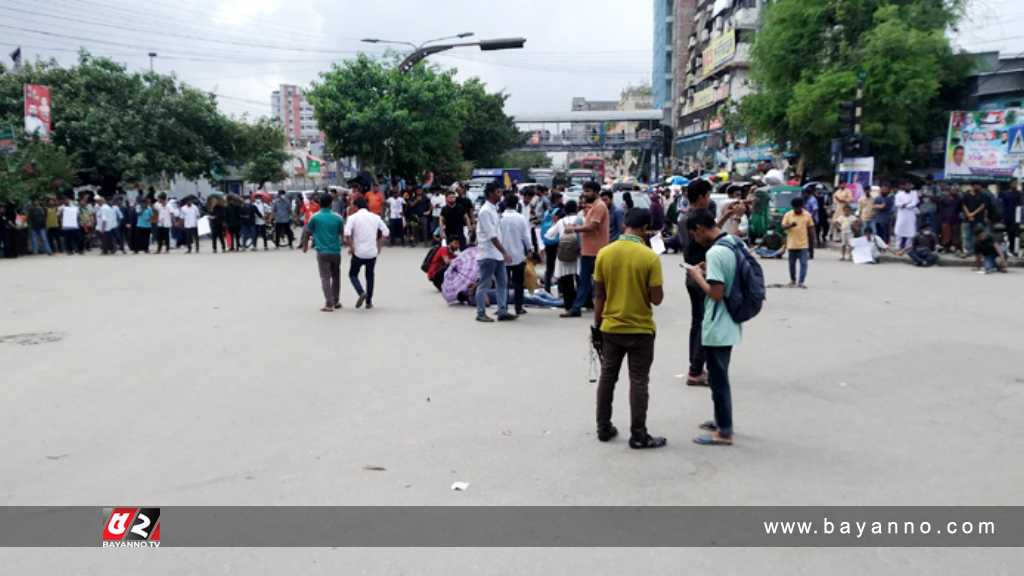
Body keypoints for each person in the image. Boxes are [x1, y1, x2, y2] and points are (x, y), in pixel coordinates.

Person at [593, 208, 666, 449]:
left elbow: (599, 295)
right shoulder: (649, 257)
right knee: (639, 381)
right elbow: (656, 299)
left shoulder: (604, 253)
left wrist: (597, 326)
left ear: (625, 224)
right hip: (640, 329)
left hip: (611, 327)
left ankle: (603, 427)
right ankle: (638, 434)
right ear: (646, 228)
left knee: (607, 377)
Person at [685, 209, 742, 447]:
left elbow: (716, 293)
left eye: (693, 235)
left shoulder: (716, 252)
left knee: (718, 380)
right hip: (730, 320)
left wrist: (697, 275)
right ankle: (722, 420)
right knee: (720, 375)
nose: (694, 240)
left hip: (719, 322)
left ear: (699, 229)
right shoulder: (732, 242)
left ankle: (724, 432)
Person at [561, 181, 608, 318]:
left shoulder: (599, 206)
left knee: (600, 281)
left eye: (587, 191)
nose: (585, 194)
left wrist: (573, 229)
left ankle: (606, 306)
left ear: (595, 192)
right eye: (584, 191)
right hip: (588, 250)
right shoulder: (593, 206)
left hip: (597, 250)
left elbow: (593, 227)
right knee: (584, 281)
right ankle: (577, 307)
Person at [475, 183, 516, 323]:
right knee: (484, 284)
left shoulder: (495, 209)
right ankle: (480, 313)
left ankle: (502, 311)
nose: (500, 195)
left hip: (496, 254)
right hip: (488, 253)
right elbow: (492, 235)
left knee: (502, 283)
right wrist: (504, 252)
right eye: (498, 192)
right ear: (491, 193)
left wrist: (503, 252)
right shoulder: (485, 211)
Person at [301, 193, 346, 312]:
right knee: (336, 276)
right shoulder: (338, 217)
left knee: (325, 277)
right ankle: (336, 301)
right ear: (331, 204)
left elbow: (307, 232)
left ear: (320, 204)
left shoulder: (315, 217)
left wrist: (305, 245)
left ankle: (329, 303)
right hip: (336, 251)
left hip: (322, 252)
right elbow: (343, 234)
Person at [344, 197, 389, 310]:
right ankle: (369, 302)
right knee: (370, 276)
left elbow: (347, 234)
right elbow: (386, 232)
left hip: (358, 252)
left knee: (353, 274)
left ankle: (361, 292)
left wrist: (351, 247)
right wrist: (379, 246)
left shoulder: (352, 218)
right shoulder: (375, 217)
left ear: (356, 206)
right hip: (372, 252)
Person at [500, 192, 533, 316]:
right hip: (518, 255)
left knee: (503, 283)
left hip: (502, 255)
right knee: (518, 283)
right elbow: (526, 236)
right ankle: (518, 307)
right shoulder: (521, 218)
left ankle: (503, 306)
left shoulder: (500, 217)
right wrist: (530, 249)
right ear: (516, 204)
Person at [544, 200, 581, 311]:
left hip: (563, 255)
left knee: (566, 280)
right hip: (577, 254)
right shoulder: (580, 220)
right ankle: (579, 304)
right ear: (576, 209)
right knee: (579, 279)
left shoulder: (561, 221)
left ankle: (568, 305)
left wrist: (559, 239)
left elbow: (549, 235)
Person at [782, 197, 815, 288]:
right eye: (795, 208)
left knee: (804, 264)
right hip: (791, 244)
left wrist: (813, 241)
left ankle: (801, 282)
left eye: (798, 208)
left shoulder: (807, 215)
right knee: (791, 264)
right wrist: (790, 225)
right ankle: (793, 280)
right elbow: (783, 226)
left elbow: (811, 228)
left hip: (803, 244)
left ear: (802, 206)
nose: (797, 210)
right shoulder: (788, 215)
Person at [540, 191, 564, 291]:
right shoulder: (559, 211)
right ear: (557, 199)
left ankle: (547, 287)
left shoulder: (547, 211)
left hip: (548, 240)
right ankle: (561, 289)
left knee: (549, 266)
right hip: (557, 240)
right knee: (560, 266)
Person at [960, 184, 988, 255]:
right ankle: (967, 251)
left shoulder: (982, 195)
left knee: (976, 236)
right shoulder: (965, 195)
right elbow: (963, 205)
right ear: (973, 186)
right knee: (966, 236)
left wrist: (973, 214)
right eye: (977, 185)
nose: (979, 187)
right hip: (967, 219)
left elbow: (983, 206)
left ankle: (975, 251)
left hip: (978, 219)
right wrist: (968, 214)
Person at [894, 185, 920, 250]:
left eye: (909, 186)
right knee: (899, 229)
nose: (907, 187)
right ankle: (898, 246)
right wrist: (903, 205)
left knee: (910, 230)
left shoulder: (914, 193)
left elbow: (914, 203)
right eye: (906, 185)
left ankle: (907, 246)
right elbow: (897, 203)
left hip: (911, 214)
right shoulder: (899, 194)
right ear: (904, 186)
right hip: (901, 214)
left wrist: (905, 205)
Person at [998, 183, 1021, 256]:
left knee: (1015, 234)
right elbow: (1002, 205)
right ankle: (1008, 249)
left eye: (1015, 184)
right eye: (1013, 184)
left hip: (1017, 217)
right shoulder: (1005, 193)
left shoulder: (1020, 194)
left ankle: (1014, 249)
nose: (1014, 185)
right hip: (1007, 217)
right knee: (1008, 234)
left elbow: (1020, 205)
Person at [937, 186, 961, 253]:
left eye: (956, 190)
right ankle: (945, 248)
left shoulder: (959, 199)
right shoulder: (943, 199)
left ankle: (956, 249)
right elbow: (940, 209)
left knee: (956, 236)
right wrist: (942, 218)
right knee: (946, 235)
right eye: (953, 190)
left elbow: (960, 208)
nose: (954, 191)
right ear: (949, 191)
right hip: (946, 219)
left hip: (956, 220)